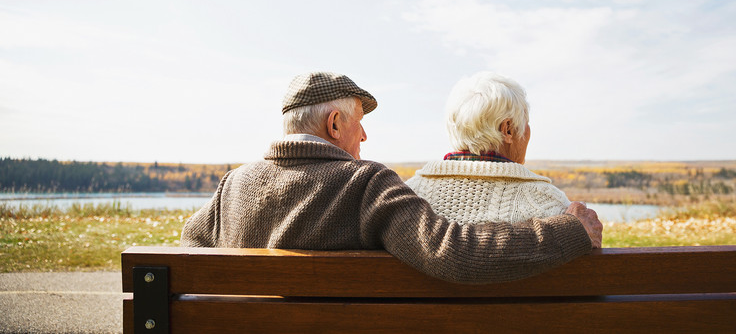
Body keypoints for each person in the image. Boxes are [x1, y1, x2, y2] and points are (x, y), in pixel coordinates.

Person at [181, 71, 602, 284]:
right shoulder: (364, 184)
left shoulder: (232, 186)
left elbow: (191, 247)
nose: (364, 135)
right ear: (333, 124)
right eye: (358, 122)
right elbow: (453, 252)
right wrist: (567, 232)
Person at [407, 72, 572, 224]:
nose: (528, 130)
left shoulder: (409, 195)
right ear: (507, 129)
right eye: (526, 122)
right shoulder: (551, 205)